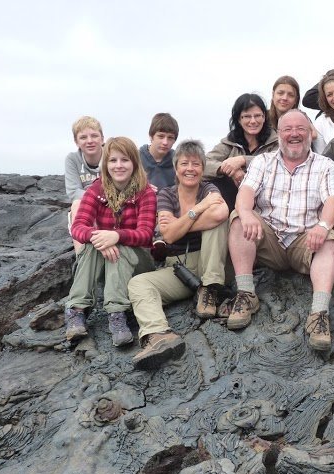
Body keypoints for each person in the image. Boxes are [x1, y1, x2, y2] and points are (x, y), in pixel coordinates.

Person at [226, 110, 334, 351]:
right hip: (269, 239)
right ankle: (246, 294)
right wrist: (247, 213)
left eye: (300, 128)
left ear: (310, 132)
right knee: (239, 218)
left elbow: (332, 200)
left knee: (329, 239)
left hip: (306, 241)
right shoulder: (262, 161)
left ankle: (319, 314)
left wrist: (322, 226)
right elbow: (246, 191)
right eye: (287, 129)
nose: (294, 134)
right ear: (278, 133)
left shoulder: (325, 165)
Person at [128, 140, 229, 370]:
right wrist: (197, 211)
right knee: (139, 284)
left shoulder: (209, 189)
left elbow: (221, 212)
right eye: (184, 163)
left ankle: (210, 289)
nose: (190, 168)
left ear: (203, 168)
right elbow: (168, 236)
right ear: (176, 168)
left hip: (209, 259)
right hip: (179, 267)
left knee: (218, 224)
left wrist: (177, 225)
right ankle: (158, 335)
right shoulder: (166, 194)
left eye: (196, 164)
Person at [65, 137, 156, 347]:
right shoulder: (97, 190)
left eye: (124, 160)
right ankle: (76, 310)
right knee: (89, 246)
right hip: (109, 261)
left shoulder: (145, 192)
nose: (118, 165)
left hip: (139, 264)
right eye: (113, 160)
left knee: (121, 247)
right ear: (105, 164)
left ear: (134, 162)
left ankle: (116, 313)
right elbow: (78, 227)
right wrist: (101, 239)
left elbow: (145, 235)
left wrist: (116, 236)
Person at [204, 94, 278, 211]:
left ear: (264, 117)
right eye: (247, 116)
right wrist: (228, 169)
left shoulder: (276, 141)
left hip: (267, 203)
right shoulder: (229, 142)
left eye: (257, 116)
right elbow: (203, 164)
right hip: (232, 202)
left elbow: (278, 161)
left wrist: (242, 160)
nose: (253, 121)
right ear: (239, 119)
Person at [65, 116, 104, 254]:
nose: (89, 141)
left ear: (102, 138)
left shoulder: (112, 155)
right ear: (76, 141)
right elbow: (73, 191)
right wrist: (97, 197)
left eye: (94, 135)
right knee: (76, 203)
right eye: (83, 137)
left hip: (113, 203)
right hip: (89, 205)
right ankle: (82, 257)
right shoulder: (72, 159)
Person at [139, 113, 179, 190]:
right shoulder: (135, 159)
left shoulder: (179, 161)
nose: (165, 142)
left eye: (170, 138)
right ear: (151, 136)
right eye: (161, 136)